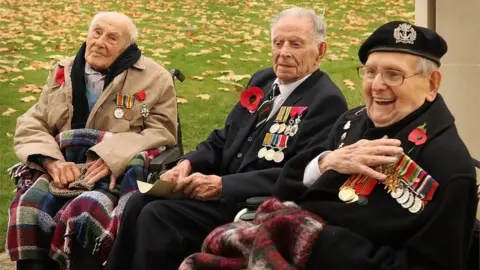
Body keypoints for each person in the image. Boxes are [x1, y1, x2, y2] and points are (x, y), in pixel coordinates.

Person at [179, 21, 478, 270]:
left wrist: (320, 241)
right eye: (371, 71)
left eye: (394, 74)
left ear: (432, 84)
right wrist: (325, 163)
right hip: (279, 245)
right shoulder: (352, 123)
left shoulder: (448, 166)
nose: (376, 85)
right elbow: (285, 188)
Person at [105, 7, 347, 270]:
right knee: (137, 202)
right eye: (278, 43)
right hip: (217, 191)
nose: (284, 52)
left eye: (296, 44)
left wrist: (223, 185)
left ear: (320, 51)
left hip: (256, 205)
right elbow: (224, 138)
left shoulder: (326, 101)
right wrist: (187, 164)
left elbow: (297, 174)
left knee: (158, 216)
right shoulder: (264, 80)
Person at [7, 12, 177, 270]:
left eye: (112, 38)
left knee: (86, 212)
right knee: (27, 209)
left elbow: (162, 131)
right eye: (96, 33)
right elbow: (35, 121)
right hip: (63, 168)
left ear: (127, 47)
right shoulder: (62, 70)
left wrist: (113, 156)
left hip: (114, 174)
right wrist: (52, 162)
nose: (100, 42)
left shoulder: (155, 77)